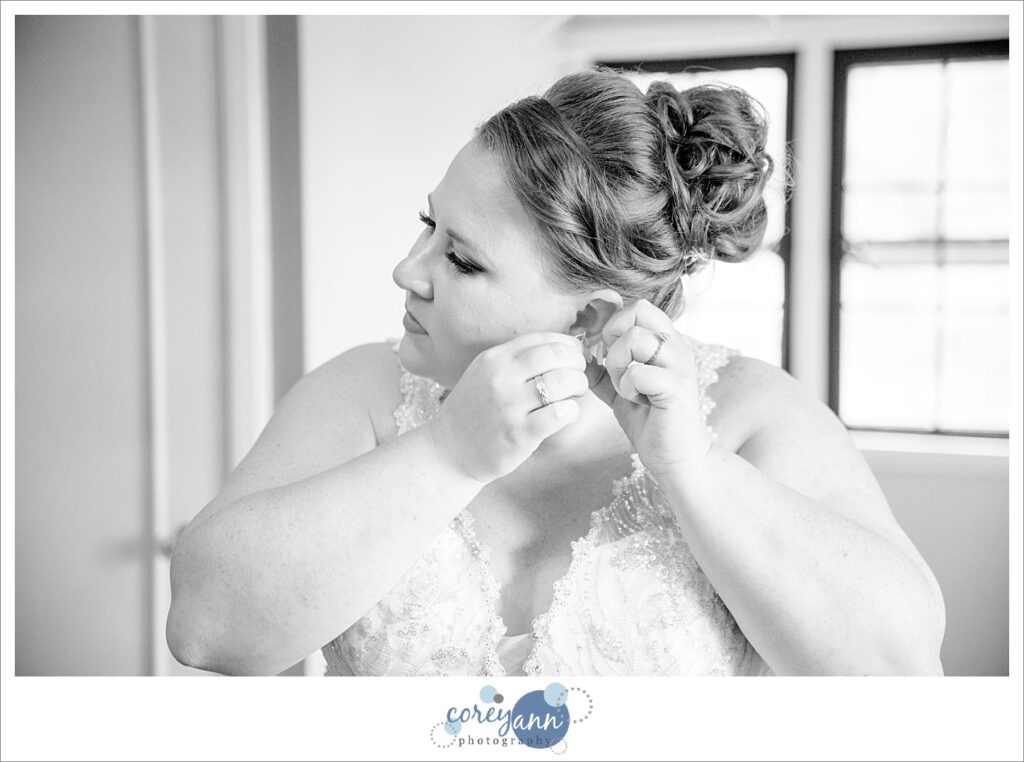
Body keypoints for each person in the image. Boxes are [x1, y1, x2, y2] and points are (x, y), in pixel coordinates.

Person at [166, 68, 946, 677]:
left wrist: (693, 468)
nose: (407, 271)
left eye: (461, 260)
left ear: (588, 319)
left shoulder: (752, 414)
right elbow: (204, 629)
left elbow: (901, 671)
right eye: (428, 225)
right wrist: (445, 454)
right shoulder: (360, 395)